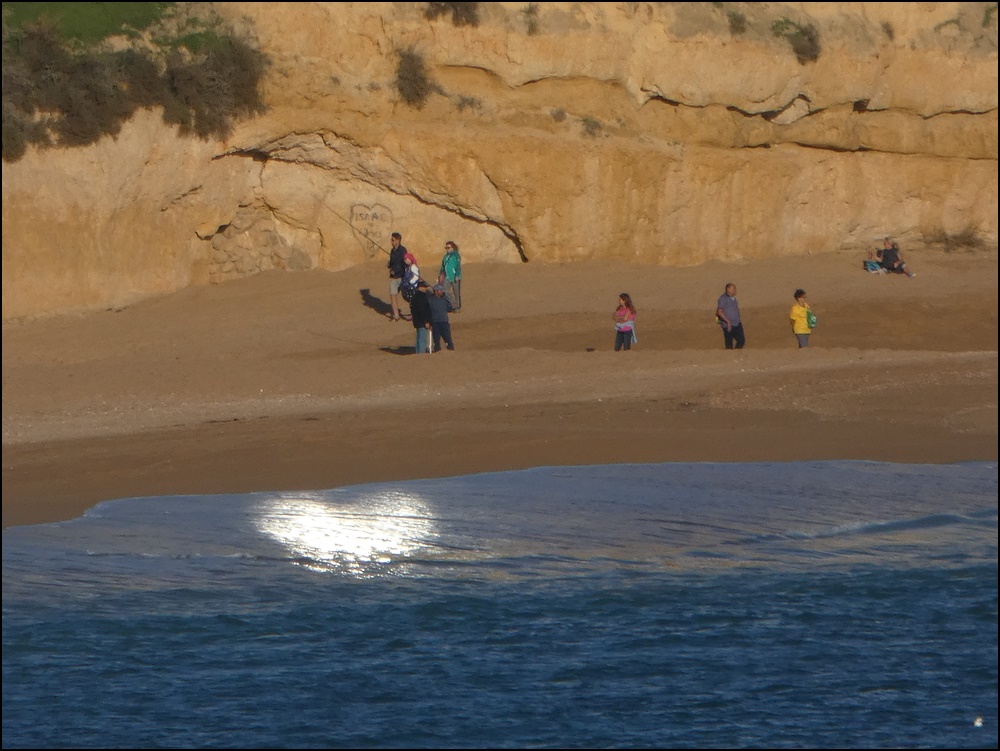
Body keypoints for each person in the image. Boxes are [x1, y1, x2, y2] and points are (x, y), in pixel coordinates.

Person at [715, 282, 745, 349]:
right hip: (728, 325)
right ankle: (729, 357)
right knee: (729, 344)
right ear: (728, 289)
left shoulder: (734, 299)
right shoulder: (723, 298)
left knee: (741, 340)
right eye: (733, 288)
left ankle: (735, 354)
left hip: (737, 324)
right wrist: (727, 321)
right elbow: (719, 312)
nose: (735, 290)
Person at [427, 284, 455, 351]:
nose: (442, 291)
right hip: (435, 323)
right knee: (436, 340)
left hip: (444, 322)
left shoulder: (444, 299)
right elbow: (427, 311)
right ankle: (437, 351)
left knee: (448, 339)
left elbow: (450, 308)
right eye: (440, 290)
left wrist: (448, 298)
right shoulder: (430, 300)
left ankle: (450, 350)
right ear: (436, 291)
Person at [386, 232, 408, 321]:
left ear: (398, 240)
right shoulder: (392, 251)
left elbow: (404, 264)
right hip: (393, 277)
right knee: (393, 295)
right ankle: (396, 315)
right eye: (391, 240)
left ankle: (414, 312)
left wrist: (397, 270)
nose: (392, 242)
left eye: (393, 240)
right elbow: (392, 262)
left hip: (402, 277)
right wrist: (389, 265)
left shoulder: (403, 250)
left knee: (406, 296)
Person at [437, 241, 462, 311]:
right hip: (447, 276)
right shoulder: (445, 256)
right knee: (444, 290)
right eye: (446, 248)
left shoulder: (456, 255)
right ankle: (453, 303)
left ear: (453, 248)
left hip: (454, 277)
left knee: (456, 293)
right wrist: (440, 274)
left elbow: (458, 266)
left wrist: (457, 275)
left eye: (448, 248)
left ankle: (457, 307)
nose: (447, 249)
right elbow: (443, 266)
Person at [409, 280, 433, 354]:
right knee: (422, 340)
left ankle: (418, 354)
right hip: (422, 322)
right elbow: (422, 310)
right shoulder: (422, 297)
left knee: (419, 339)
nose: (425, 289)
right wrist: (426, 321)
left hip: (417, 321)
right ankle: (421, 356)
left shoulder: (415, 296)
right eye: (424, 287)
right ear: (420, 287)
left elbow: (413, 309)